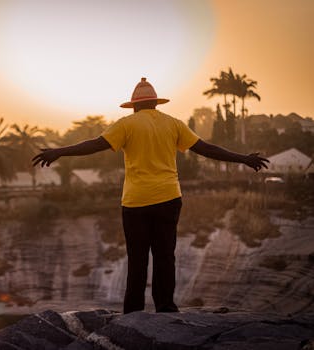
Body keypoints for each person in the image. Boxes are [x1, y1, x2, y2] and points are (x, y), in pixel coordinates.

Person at [32, 77, 269, 314]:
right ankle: (165, 308)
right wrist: (244, 159)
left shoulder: (126, 124)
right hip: (168, 198)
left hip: (136, 202)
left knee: (137, 260)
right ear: (156, 104)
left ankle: (133, 313)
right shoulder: (174, 124)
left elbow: (94, 144)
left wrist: (59, 152)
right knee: (165, 256)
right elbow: (206, 149)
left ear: (134, 105)